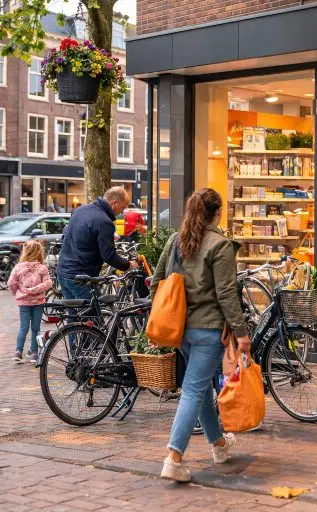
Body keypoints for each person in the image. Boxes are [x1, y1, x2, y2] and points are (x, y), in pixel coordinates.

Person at [151, 188, 250, 483]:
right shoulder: (220, 245)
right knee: (194, 390)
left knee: (201, 388)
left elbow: (157, 282)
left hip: (180, 330)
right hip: (209, 330)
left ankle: (219, 445)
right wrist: (241, 332)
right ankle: (174, 457)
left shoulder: (176, 241)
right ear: (217, 212)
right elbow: (226, 293)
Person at [56, 186, 138, 301]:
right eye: (123, 207)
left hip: (62, 272)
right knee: (95, 314)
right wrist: (128, 265)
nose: (122, 211)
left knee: (75, 316)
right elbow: (108, 256)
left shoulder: (80, 210)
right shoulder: (104, 222)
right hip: (81, 277)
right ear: (115, 203)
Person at [9, 241, 52, 364]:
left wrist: (17, 293)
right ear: (40, 252)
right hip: (38, 301)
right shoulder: (42, 268)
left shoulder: (18, 267)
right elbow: (48, 283)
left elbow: (11, 283)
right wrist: (35, 290)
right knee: (36, 329)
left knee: (23, 327)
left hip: (24, 302)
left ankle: (18, 351)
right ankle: (34, 353)